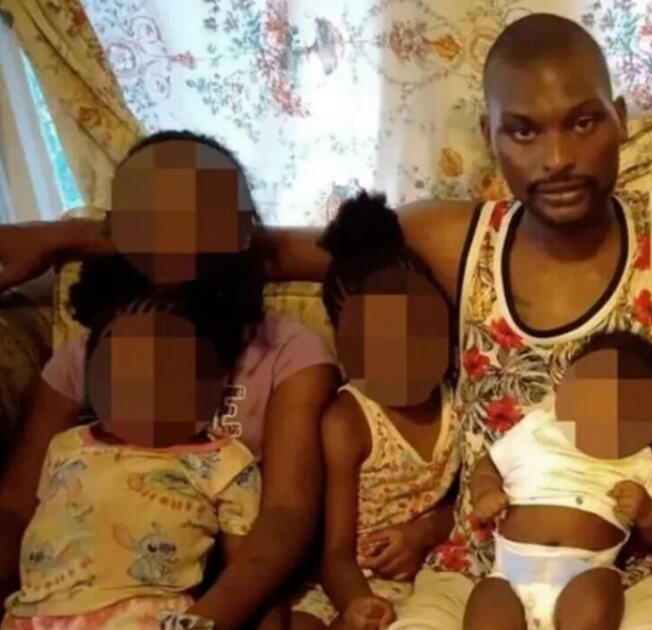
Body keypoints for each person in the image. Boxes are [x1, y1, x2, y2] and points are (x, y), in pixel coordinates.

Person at [0, 15, 652, 627]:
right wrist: (69, 235)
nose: (557, 158)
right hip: (480, 558)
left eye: (581, 122)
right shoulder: (450, 234)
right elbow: (267, 246)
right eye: (524, 130)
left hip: (639, 561)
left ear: (619, 119)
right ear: (491, 135)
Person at [0, 132, 338, 630]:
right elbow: (16, 504)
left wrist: (205, 619)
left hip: (212, 594)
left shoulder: (285, 349)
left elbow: (287, 513)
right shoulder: (82, 354)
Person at [2, 292, 261, 629]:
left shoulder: (226, 461)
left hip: (144, 615)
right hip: (31, 614)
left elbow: (248, 569)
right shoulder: (66, 446)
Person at [291, 193, 459, 630]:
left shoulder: (459, 399)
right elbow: (333, 553)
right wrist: (360, 604)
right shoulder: (347, 421)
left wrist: (424, 532)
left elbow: (473, 498)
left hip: (431, 580)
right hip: (346, 584)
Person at [465, 333, 652, 630]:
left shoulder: (637, 459)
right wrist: (486, 490)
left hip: (585, 573)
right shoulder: (538, 427)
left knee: (595, 604)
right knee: (486, 610)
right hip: (510, 574)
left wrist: (649, 512)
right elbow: (487, 464)